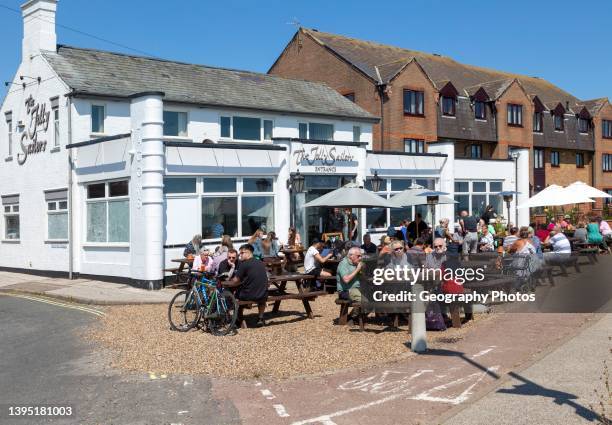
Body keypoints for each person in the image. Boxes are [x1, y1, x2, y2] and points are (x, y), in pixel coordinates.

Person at [230, 244, 268, 326]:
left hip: (249, 295)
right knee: (261, 298)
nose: (240, 255)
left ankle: (238, 318)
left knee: (236, 295)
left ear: (248, 252)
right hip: (263, 294)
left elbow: (235, 281)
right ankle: (260, 317)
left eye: (241, 253)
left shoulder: (244, 264)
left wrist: (230, 279)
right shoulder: (260, 262)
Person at [336, 246, 364, 321]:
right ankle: (352, 317)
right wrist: (357, 270)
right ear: (351, 256)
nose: (360, 258)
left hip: (357, 289)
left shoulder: (356, 263)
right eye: (358, 256)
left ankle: (356, 316)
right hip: (346, 291)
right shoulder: (343, 264)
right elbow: (346, 280)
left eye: (361, 256)